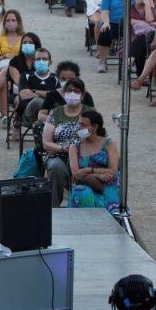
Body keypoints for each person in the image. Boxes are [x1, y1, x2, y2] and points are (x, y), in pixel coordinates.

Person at [41, 77, 93, 207]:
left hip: (83, 155)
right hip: (58, 154)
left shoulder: (90, 112)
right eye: (69, 91)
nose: (72, 94)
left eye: (76, 91)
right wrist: (63, 148)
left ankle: (81, 203)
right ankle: (53, 207)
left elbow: (94, 136)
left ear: (82, 95)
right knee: (56, 168)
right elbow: (46, 142)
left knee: (83, 168)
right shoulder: (56, 113)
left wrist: (75, 148)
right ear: (64, 93)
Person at [68, 111, 120, 212]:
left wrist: (89, 170)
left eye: (83, 124)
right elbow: (76, 175)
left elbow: (113, 170)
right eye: (79, 123)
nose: (79, 127)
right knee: (82, 193)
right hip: (85, 184)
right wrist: (98, 175)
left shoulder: (109, 144)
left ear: (95, 127)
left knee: (109, 196)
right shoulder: (74, 147)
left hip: (107, 185)